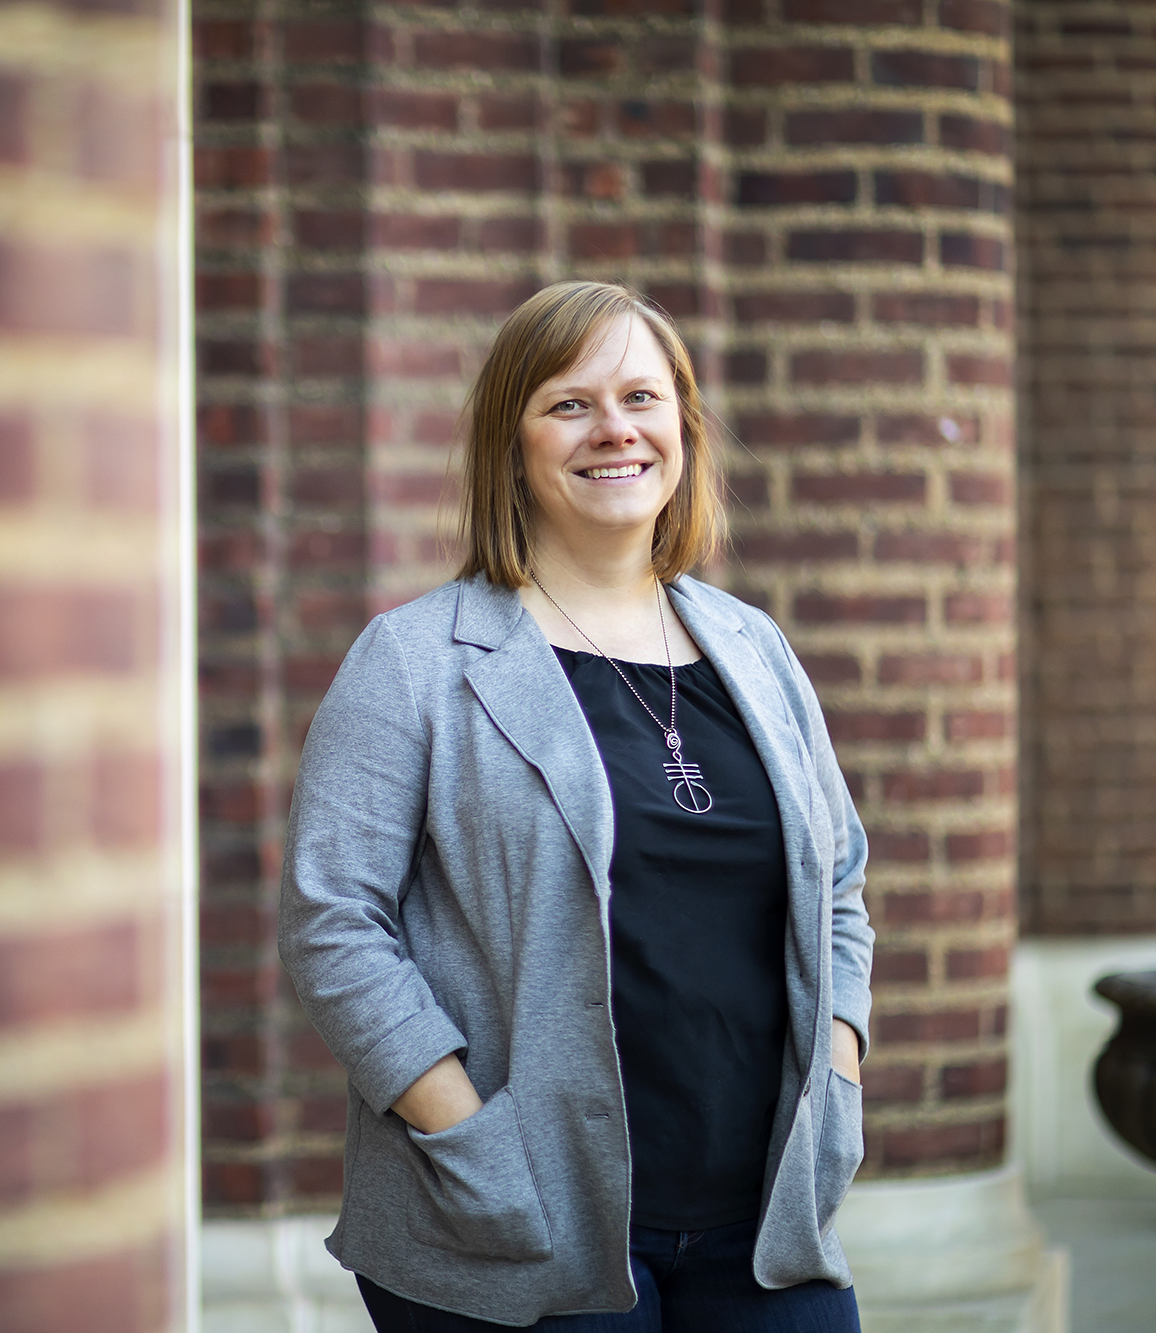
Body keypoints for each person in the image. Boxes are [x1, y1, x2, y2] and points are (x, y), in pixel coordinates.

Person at [277, 280, 873, 1331]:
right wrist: (465, 1136)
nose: (614, 429)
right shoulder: (414, 660)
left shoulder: (752, 649)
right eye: (568, 404)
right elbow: (332, 922)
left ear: (680, 430)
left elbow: (838, 885)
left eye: (641, 397)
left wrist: (836, 1071)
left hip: (763, 1222)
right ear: (510, 444)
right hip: (520, 1222)